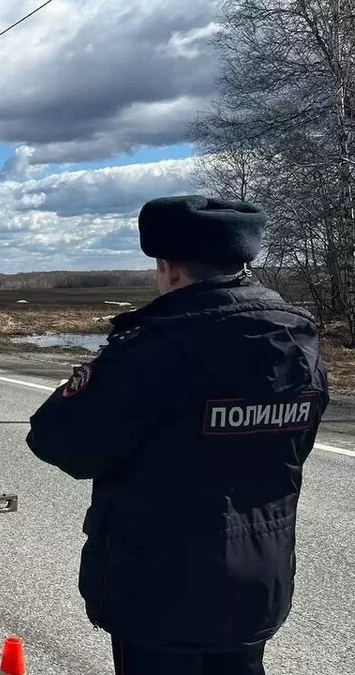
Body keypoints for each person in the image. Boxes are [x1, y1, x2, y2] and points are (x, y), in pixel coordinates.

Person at [26, 195, 329, 675]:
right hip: (258, 581)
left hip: (161, 592)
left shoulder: (156, 347)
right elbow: (296, 447)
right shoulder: (298, 341)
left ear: (169, 268)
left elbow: (57, 441)